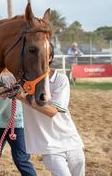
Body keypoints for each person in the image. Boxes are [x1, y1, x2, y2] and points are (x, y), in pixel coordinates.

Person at [17, 44, 85, 176]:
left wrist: (21, 97)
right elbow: (1, 84)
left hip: (71, 141)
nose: (37, 58)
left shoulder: (60, 79)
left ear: (50, 57)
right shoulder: (21, 81)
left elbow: (52, 111)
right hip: (49, 146)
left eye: (43, 55)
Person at [0, 69, 36, 176]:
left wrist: (11, 90)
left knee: (21, 160)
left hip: (16, 124)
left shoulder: (20, 75)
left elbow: (28, 90)